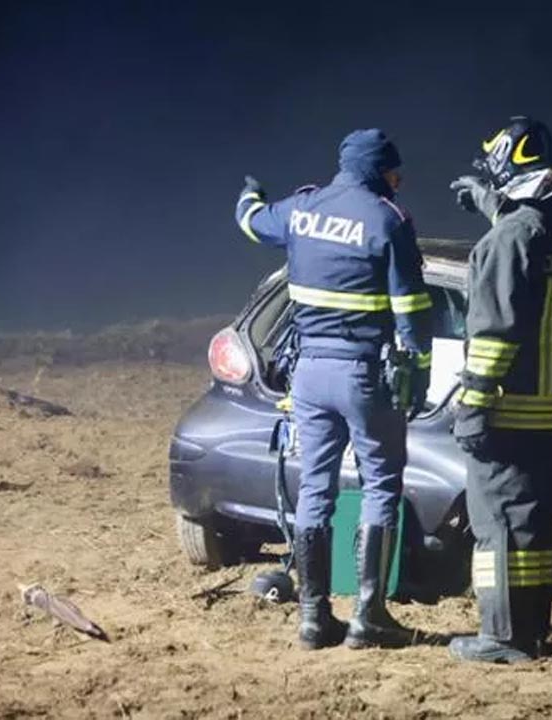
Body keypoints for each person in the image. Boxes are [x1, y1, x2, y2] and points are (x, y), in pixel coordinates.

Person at [235, 129, 434, 650]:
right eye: (395, 172)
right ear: (377, 171)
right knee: (380, 485)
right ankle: (369, 616)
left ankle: (312, 618)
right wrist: (420, 368)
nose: (400, 181)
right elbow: (411, 308)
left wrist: (250, 193)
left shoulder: (301, 210)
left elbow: (252, 223)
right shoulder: (387, 220)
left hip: (308, 376)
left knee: (314, 491)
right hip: (362, 373)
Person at [445, 116, 552, 664]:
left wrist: (473, 404)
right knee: (529, 525)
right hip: (541, 412)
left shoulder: (507, 240)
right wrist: (491, 206)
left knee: (494, 525)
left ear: (505, 163)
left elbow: (494, 332)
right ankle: (531, 629)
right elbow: (526, 233)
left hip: (502, 411)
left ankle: (500, 637)